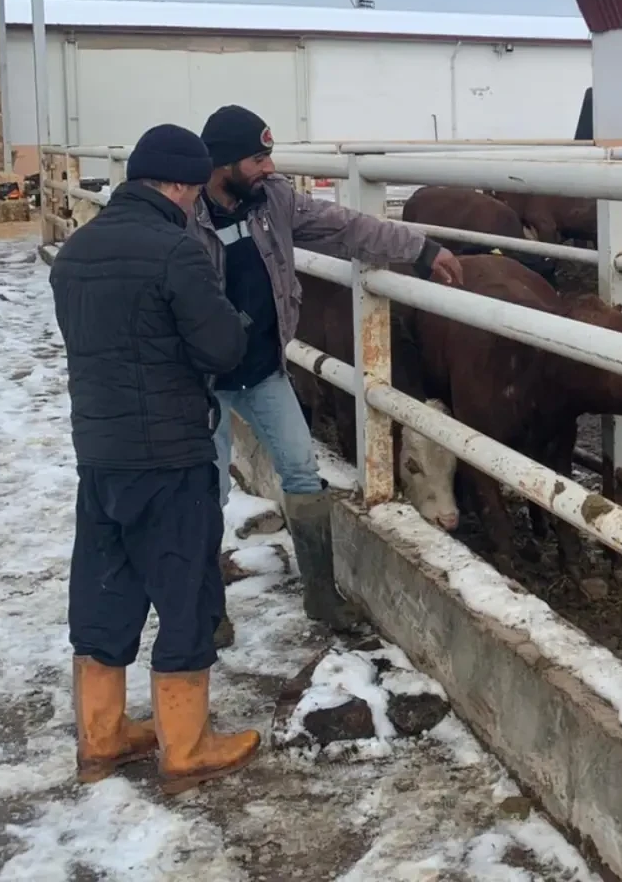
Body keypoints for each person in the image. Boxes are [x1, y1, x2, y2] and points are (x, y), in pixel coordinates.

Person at [189, 105, 463, 641]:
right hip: (201, 381)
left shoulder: (272, 201)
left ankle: (320, 594)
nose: (269, 167)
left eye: (269, 155)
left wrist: (421, 249)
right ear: (221, 164)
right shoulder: (182, 212)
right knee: (206, 488)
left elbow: (346, 228)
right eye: (257, 158)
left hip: (264, 368)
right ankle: (206, 608)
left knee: (302, 473)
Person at [51, 124, 261, 793]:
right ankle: (187, 747)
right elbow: (220, 348)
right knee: (185, 592)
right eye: (195, 191)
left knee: (104, 588)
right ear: (178, 184)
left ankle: (102, 737)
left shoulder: (76, 250)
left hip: (100, 452)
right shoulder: (176, 252)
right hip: (169, 455)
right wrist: (242, 319)